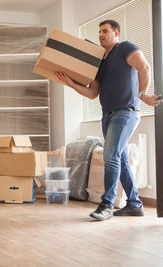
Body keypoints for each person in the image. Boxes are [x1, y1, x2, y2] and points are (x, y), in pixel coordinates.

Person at [55, 20, 163, 221]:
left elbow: (144, 66)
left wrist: (142, 94)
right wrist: (70, 83)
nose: (101, 35)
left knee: (110, 155)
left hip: (126, 112)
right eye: (99, 32)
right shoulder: (100, 62)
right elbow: (92, 92)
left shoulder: (125, 48)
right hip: (108, 115)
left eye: (105, 31)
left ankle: (106, 204)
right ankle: (135, 204)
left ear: (116, 33)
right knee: (120, 159)